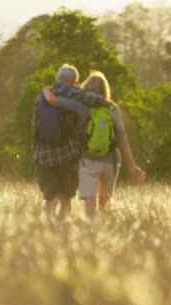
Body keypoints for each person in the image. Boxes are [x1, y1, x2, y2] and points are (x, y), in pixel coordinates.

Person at [43, 71, 146, 219]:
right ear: (105, 90)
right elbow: (122, 138)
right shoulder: (112, 108)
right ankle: (103, 228)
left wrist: (46, 89)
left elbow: (53, 100)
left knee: (90, 200)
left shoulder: (80, 106)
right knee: (104, 201)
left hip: (88, 160)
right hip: (111, 160)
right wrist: (132, 165)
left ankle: (91, 229)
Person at [32, 64, 107, 220]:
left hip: (43, 156)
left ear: (58, 78)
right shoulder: (71, 92)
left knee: (49, 197)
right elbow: (99, 99)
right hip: (67, 154)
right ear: (73, 81)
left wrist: (36, 153)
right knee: (66, 197)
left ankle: (45, 226)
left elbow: (35, 128)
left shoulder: (41, 98)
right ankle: (62, 228)